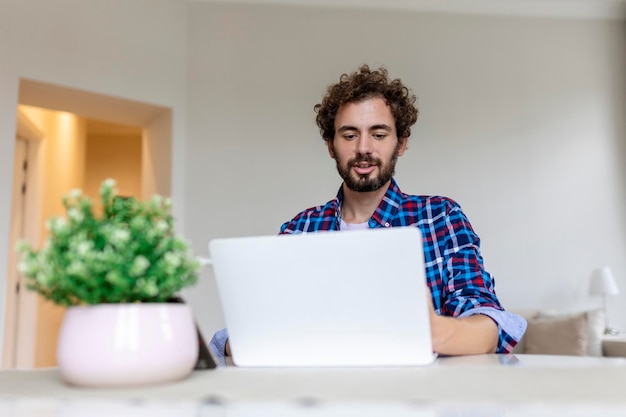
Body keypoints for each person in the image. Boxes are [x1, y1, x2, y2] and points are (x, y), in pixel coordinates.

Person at [210, 64, 526, 358]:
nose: (363, 148)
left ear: (400, 143)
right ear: (331, 146)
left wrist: (435, 333)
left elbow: (487, 324)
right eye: (349, 135)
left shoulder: (441, 217)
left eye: (378, 134)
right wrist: (244, 339)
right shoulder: (300, 229)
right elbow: (254, 330)